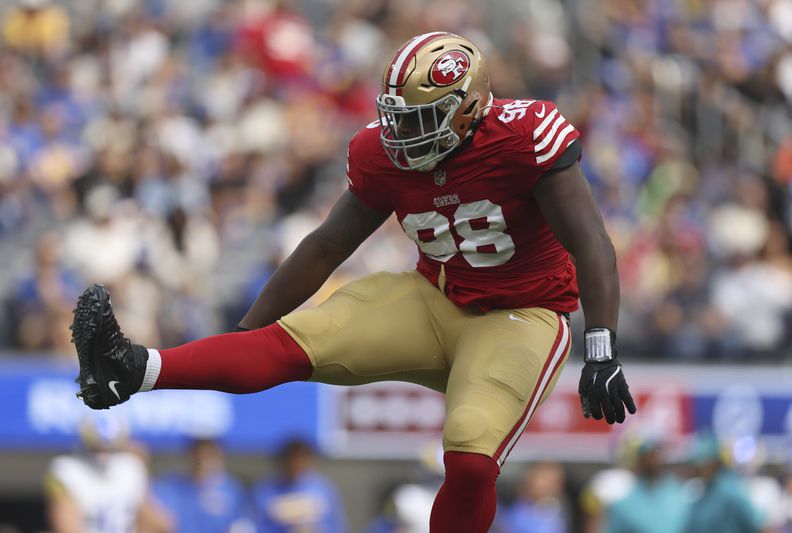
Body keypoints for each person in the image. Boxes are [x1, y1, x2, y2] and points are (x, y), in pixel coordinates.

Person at [69, 31, 636, 532]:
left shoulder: (523, 136)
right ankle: (132, 369)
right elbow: (327, 245)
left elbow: (591, 243)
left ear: (467, 110)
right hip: (433, 297)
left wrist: (602, 346)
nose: (400, 132)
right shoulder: (379, 153)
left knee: (467, 456)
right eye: (396, 115)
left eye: (419, 117)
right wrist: (247, 335)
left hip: (522, 314)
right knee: (288, 344)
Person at [44, 415, 172, 533]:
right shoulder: (66, 472)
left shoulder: (130, 468)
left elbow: (160, 525)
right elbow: (68, 527)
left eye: (109, 449)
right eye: (97, 449)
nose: (103, 456)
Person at [152, 438, 254, 533]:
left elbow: (243, 523)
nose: (203, 462)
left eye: (209, 457)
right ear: (189, 457)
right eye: (198, 457)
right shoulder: (168, 487)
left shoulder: (232, 490)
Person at [251, 438, 346, 532]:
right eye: (291, 459)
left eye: (301, 459)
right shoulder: (266, 489)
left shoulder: (322, 488)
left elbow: (336, 526)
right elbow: (257, 525)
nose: (296, 464)